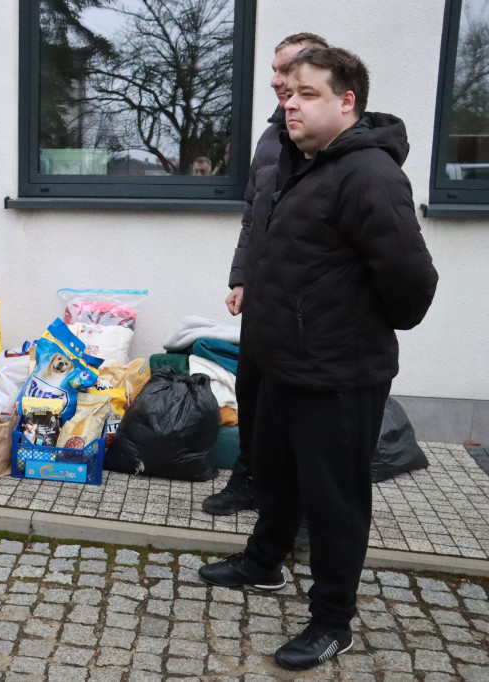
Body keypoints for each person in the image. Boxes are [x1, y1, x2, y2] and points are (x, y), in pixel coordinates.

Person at [198, 47, 438, 671]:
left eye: (306, 93)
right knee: (275, 476)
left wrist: (346, 325)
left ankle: (333, 620)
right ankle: (262, 565)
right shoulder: (300, 165)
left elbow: (412, 284)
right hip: (282, 362)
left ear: (346, 101)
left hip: (337, 373)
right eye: (287, 93)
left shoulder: (369, 175)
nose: (290, 101)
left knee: (334, 501)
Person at [203, 32, 329, 519]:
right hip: (265, 299)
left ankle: (297, 506)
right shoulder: (272, 134)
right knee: (253, 392)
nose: (277, 80)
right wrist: (242, 278)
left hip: (309, 307)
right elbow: (254, 216)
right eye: (275, 71)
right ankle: (250, 478)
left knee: (298, 410)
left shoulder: (328, 138)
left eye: (288, 69)